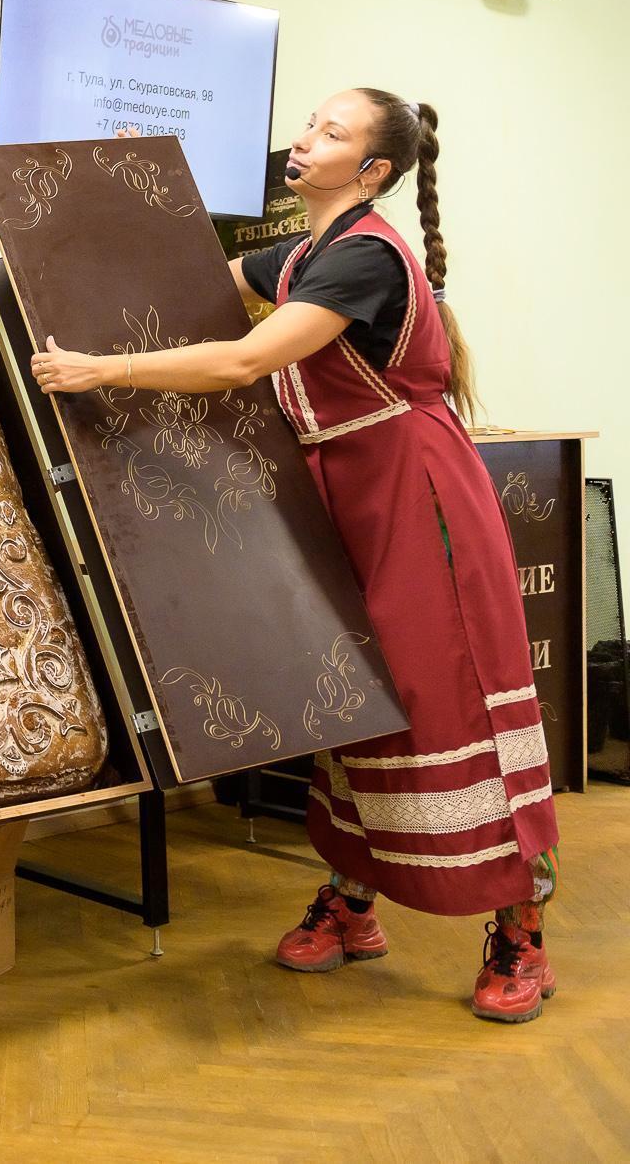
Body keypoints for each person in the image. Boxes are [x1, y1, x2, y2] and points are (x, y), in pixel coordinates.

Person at [27, 89, 560, 1023]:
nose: (305, 139)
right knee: (352, 696)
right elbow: (187, 274)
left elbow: (244, 361)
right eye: (310, 122)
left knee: (448, 702)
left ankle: (521, 929)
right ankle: (353, 901)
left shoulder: (364, 258)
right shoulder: (307, 253)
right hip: (341, 500)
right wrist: (120, 182)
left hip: (416, 500)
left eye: (332, 132)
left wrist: (102, 371)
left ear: (373, 171)